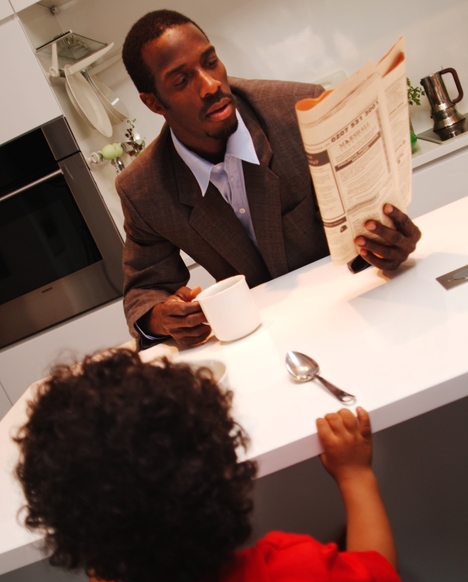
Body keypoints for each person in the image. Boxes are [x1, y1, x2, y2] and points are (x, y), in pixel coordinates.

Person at [15, 348, 403, 582]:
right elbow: (382, 580)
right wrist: (356, 475)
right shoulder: (296, 572)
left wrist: (100, 533)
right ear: (223, 473)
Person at [118, 10, 422, 349]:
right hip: (261, 342)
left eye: (211, 61)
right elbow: (144, 288)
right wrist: (162, 317)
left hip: (358, 309)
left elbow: (371, 224)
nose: (211, 85)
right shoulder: (143, 189)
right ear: (153, 102)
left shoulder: (300, 114)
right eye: (182, 80)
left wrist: (391, 245)